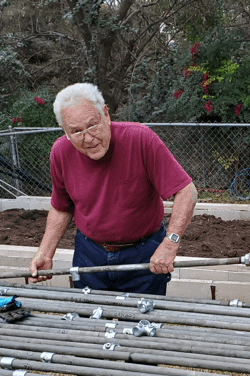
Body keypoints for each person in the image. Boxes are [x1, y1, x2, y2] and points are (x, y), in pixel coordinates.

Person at [29, 83, 197, 295]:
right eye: (76, 131)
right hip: (89, 254)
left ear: (105, 114)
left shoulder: (140, 139)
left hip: (143, 253)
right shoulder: (60, 152)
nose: (88, 138)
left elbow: (186, 191)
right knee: (92, 321)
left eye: (93, 125)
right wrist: (45, 252)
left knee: (142, 323)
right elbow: (62, 206)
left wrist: (170, 244)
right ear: (65, 131)